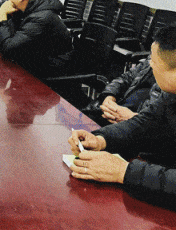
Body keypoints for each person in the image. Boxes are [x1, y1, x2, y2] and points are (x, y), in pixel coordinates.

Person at [68, 25, 176, 209]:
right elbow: (143, 123)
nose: (150, 65)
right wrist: (101, 140)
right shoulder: (170, 94)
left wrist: (123, 171)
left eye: (154, 61)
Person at [83, 58, 159, 125]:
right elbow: (126, 77)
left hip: (136, 127)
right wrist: (110, 96)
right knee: (81, 122)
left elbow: (160, 124)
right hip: (116, 110)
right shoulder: (154, 55)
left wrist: (134, 118)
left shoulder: (165, 85)